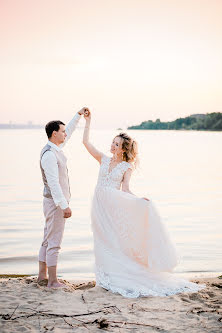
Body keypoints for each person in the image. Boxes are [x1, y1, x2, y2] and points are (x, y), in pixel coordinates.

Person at [83, 111, 204, 298]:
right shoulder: (103, 159)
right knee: (100, 239)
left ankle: (115, 275)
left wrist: (139, 201)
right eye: (113, 142)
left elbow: (126, 190)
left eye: (116, 144)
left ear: (123, 149)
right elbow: (86, 143)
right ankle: (103, 276)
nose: (112, 146)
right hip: (98, 205)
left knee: (113, 240)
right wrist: (88, 121)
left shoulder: (126, 166)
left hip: (113, 206)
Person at [38, 107, 89, 288]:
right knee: (54, 242)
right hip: (55, 203)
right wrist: (64, 205)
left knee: (47, 238)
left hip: (52, 202)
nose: (65, 134)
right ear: (54, 134)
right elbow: (53, 184)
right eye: (62, 131)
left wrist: (78, 116)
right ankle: (52, 281)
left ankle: (42, 277)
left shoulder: (55, 148)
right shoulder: (50, 155)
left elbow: (71, 131)